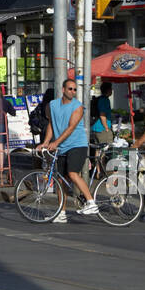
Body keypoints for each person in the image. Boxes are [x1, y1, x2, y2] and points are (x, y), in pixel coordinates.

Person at [37, 77, 99, 222]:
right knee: (60, 180)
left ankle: (91, 203)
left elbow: (71, 128)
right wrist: (46, 142)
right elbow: (52, 125)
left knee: (72, 173)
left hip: (77, 144)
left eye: (75, 89)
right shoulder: (53, 105)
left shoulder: (78, 107)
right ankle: (61, 213)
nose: (73, 91)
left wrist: (56, 142)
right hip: (62, 146)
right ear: (63, 90)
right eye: (70, 89)